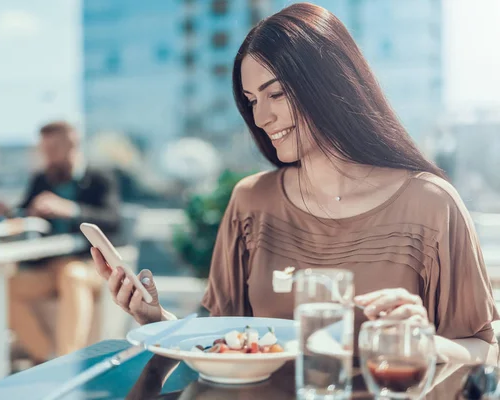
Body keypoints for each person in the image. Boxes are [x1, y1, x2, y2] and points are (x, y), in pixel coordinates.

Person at [91, 3, 499, 364]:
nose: (261, 117)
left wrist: (423, 343)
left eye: (277, 94)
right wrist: (155, 319)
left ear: (330, 84)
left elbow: (486, 348)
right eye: (251, 100)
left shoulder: (430, 203)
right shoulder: (251, 202)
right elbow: (221, 340)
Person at [0, 120, 120, 363]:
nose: (47, 157)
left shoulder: (99, 177)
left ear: (71, 146)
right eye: (44, 150)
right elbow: (25, 212)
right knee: (1, 287)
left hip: (88, 265)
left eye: (52, 150)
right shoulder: (42, 179)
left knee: (72, 275)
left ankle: (68, 358)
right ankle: (49, 359)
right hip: (48, 267)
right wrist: (7, 214)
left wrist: (69, 209)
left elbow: (113, 220)